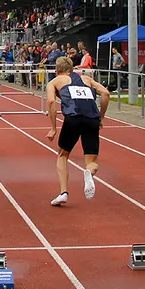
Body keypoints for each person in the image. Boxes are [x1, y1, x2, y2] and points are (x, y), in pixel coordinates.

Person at [46, 56, 110, 206]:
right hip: (91, 119)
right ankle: (89, 173)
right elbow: (106, 94)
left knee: (62, 155)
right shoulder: (86, 79)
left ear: (57, 70)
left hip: (73, 118)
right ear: (73, 69)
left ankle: (63, 193)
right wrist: (101, 117)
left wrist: (53, 128)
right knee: (92, 162)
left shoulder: (55, 81)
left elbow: (50, 102)